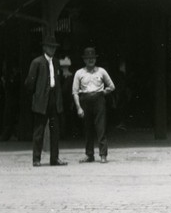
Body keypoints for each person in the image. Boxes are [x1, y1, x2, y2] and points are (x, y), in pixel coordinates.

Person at [24, 37, 68, 167]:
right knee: (39, 130)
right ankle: (36, 159)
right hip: (42, 100)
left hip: (54, 99)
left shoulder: (56, 62)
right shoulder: (37, 62)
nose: (52, 49)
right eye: (50, 47)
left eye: (54, 47)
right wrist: (36, 96)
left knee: (55, 131)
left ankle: (54, 159)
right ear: (44, 48)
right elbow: (30, 83)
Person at [72, 47, 115, 164]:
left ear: (95, 59)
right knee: (87, 129)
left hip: (99, 100)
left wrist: (105, 91)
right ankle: (89, 155)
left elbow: (112, 86)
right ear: (84, 60)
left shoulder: (101, 71)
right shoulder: (79, 73)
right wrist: (78, 108)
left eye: (92, 58)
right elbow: (75, 92)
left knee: (101, 128)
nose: (90, 60)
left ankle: (103, 154)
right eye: (88, 58)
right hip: (85, 100)